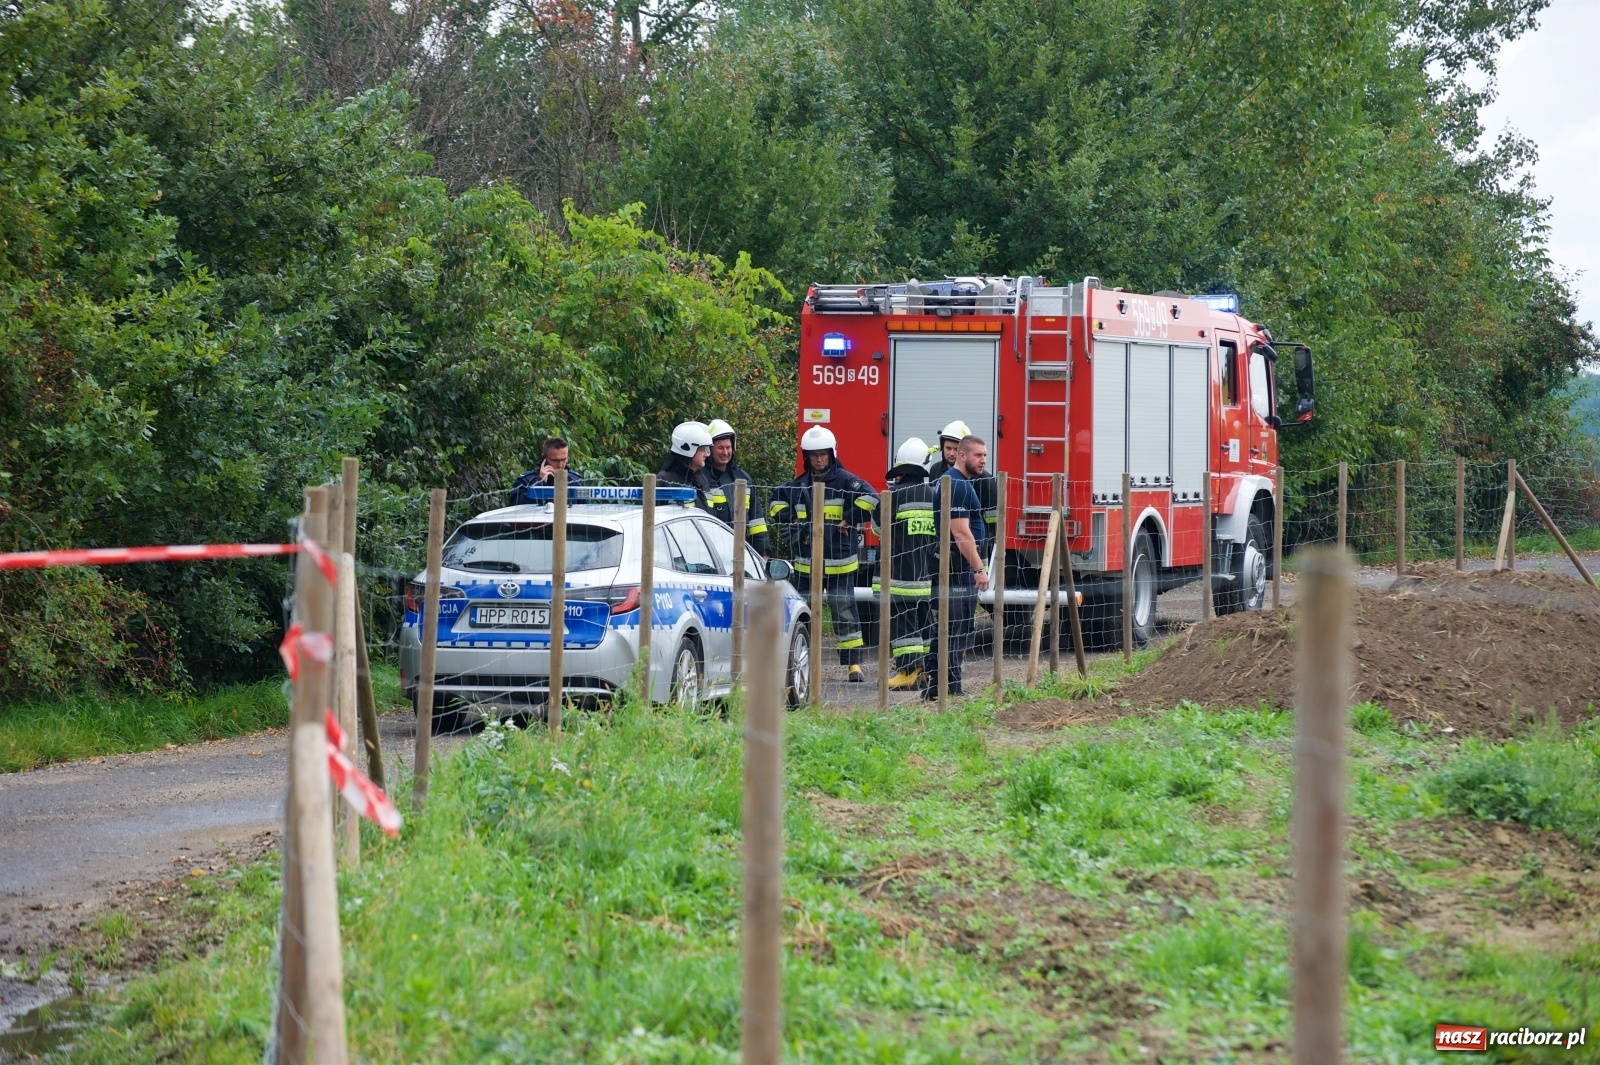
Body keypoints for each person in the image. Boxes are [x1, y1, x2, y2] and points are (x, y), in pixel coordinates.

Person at [769, 426, 880, 682]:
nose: (819, 459)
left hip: (840, 563)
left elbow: (872, 499)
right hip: (807, 564)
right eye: (814, 455)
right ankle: (800, 660)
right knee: (801, 613)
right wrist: (790, 520)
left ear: (831, 454)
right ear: (806, 457)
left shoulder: (846, 481)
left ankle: (854, 665)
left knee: (844, 612)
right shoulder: (797, 486)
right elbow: (775, 501)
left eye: (823, 454)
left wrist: (849, 518)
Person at [922, 435, 992, 700]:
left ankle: (943, 686)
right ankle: (945, 687)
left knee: (953, 627)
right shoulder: (958, 486)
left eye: (984, 455)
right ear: (962, 456)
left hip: (954, 566)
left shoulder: (958, 482)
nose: (983, 460)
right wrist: (978, 568)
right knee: (955, 628)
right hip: (957, 568)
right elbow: (961, 533)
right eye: (977, 455)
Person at [875, 438, 938, 691]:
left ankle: (907, 671)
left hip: (898, 576)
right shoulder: (935, 495)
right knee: (923, 622)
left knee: (902, 622)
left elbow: (878, 528)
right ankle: (922, 669)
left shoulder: (893, 496)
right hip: (925, 575)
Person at [703, 418, 769, 555]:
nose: (725, 452)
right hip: (708, 553)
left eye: (728, 447)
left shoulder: (743, 479)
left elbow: (757, 522)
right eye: (720, 448)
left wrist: (763, 555)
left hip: (740, 553)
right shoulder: (700, 479)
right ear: (709, 450)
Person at [927, 419, 999, 544]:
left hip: (972, 543)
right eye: (948, 448)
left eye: (956, 449)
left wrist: (986, 546)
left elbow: (992, 521)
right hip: (943, 542)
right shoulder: (935, 470)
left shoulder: (984, 479)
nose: (951, 453)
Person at [657, 421, 715, 508]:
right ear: (688, 450)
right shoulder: (664, 480)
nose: (706, 454)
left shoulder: (702, 479)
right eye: (702, 450)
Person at [510, 437, 585, 503]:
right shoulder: (526, 481)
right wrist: (539, 482)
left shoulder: (575, 480)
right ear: (544, 458)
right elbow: (516, 508)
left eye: (563, 459)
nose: (560, 465)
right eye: (555, 460)